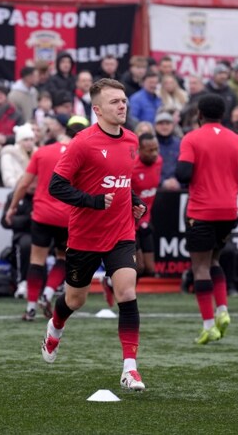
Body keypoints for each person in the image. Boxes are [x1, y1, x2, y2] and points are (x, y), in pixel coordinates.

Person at [43, 78, 147, 391]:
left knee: (126, 293)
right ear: (97, 110)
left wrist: (135, 201)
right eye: (115, 102)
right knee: (76, 299)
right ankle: (55, 326)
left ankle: (130, 369)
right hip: (85, 235)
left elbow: (122, 181)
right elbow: (56, 186)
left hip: (121, 232)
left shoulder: (131, 140)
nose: (122, 105)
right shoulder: (82, 143)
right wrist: (92, 201)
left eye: (124, 100)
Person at [175, 94, 238, 344]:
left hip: (201, 211)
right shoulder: (237, 139)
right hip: (228, 211)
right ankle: (223, 309)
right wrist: (227, 178)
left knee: (200, 267)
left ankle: (209, 325)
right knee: (215, 261)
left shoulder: (192, 138)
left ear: (199, 114)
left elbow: (182, 174)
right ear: (223, 114)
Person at [4, 120, 77, 321]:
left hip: (43, 214)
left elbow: (23, 183)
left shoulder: (42, 151)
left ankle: (30, 308)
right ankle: (48, 292)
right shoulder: (80, 154)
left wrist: (12, 208)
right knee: (63, 258)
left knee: (37, 260)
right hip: (67, 216)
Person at [131, 133, 163, 278]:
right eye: (150, 150)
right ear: (140, 150)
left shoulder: (159, 162)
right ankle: (118, 289)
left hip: (145, 219)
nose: (154, 154)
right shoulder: (131, 166)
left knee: (150, 269)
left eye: (156, 149)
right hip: (130, 221)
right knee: (138, 267)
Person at [0, 123, 37, 188]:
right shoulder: (8, 155)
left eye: (31, 139)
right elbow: (8, 178)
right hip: (15, 191)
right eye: (25, 140)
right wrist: (20, 185)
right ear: (19, 141)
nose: (29, 143)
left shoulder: (36, 154)